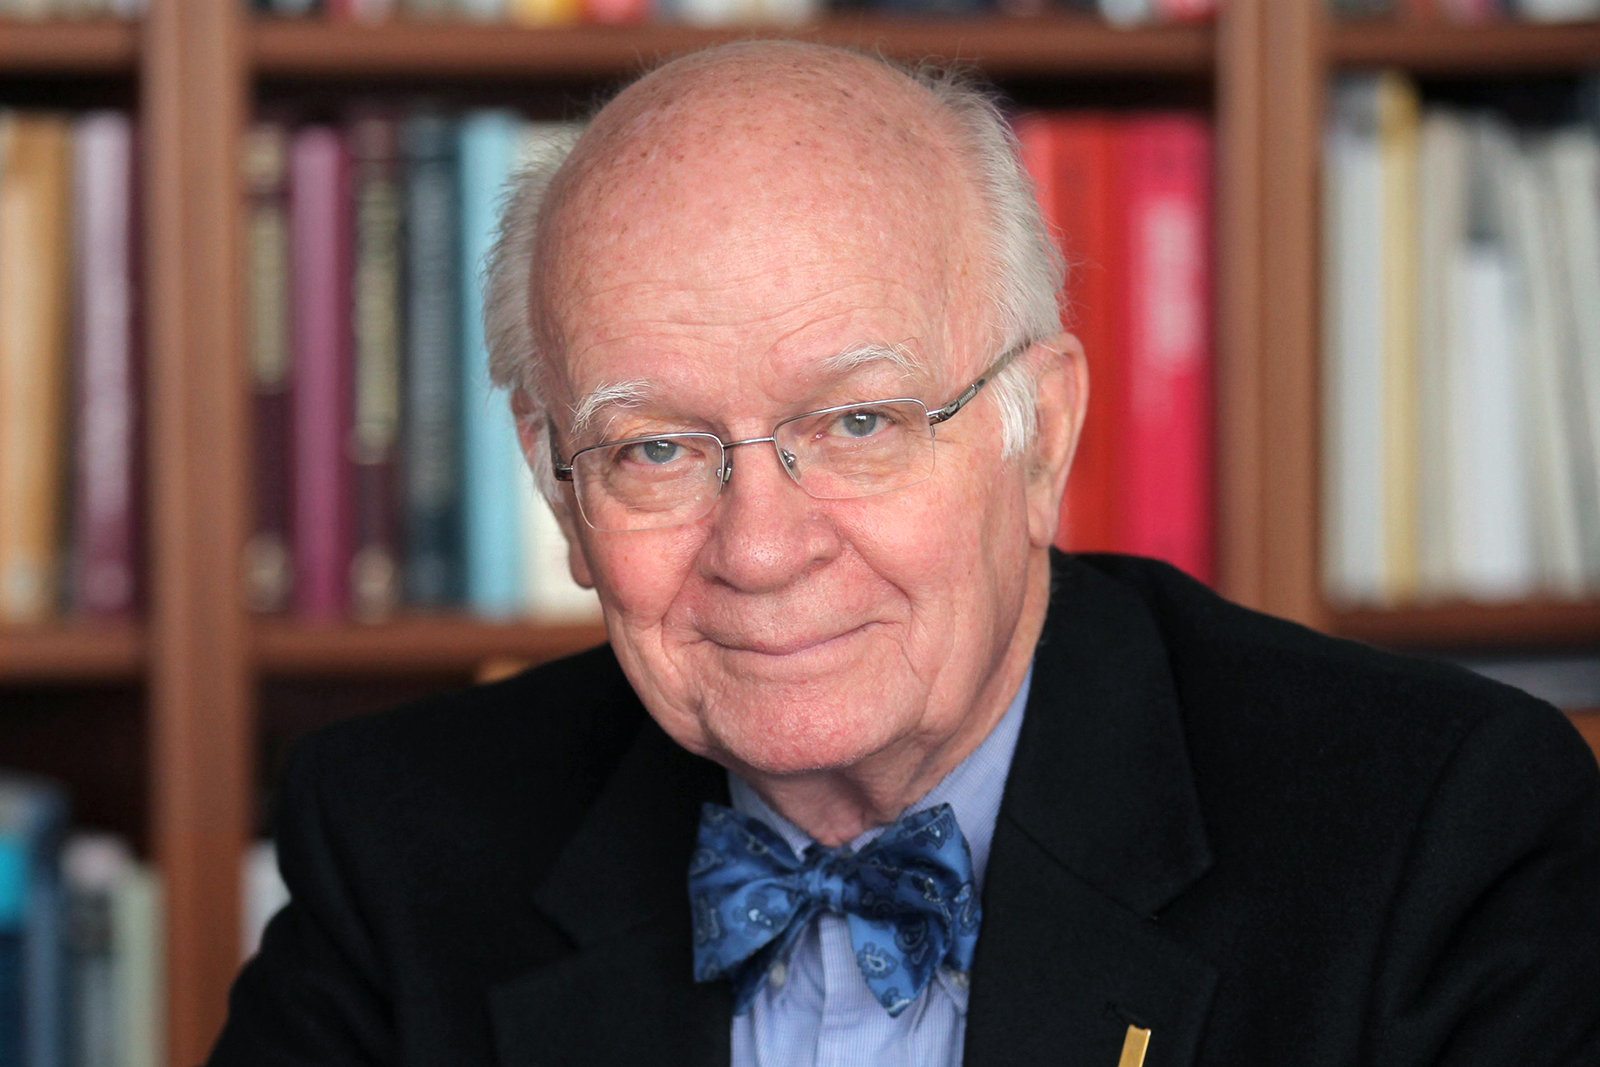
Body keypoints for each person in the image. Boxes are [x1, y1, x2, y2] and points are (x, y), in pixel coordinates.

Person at [209, 41, 1600, 1067]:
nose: (759, 549)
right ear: (558, 492)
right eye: (656, 449)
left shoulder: (1433, 830)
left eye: (860, 421)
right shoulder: (401, 843)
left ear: (1039, 431)